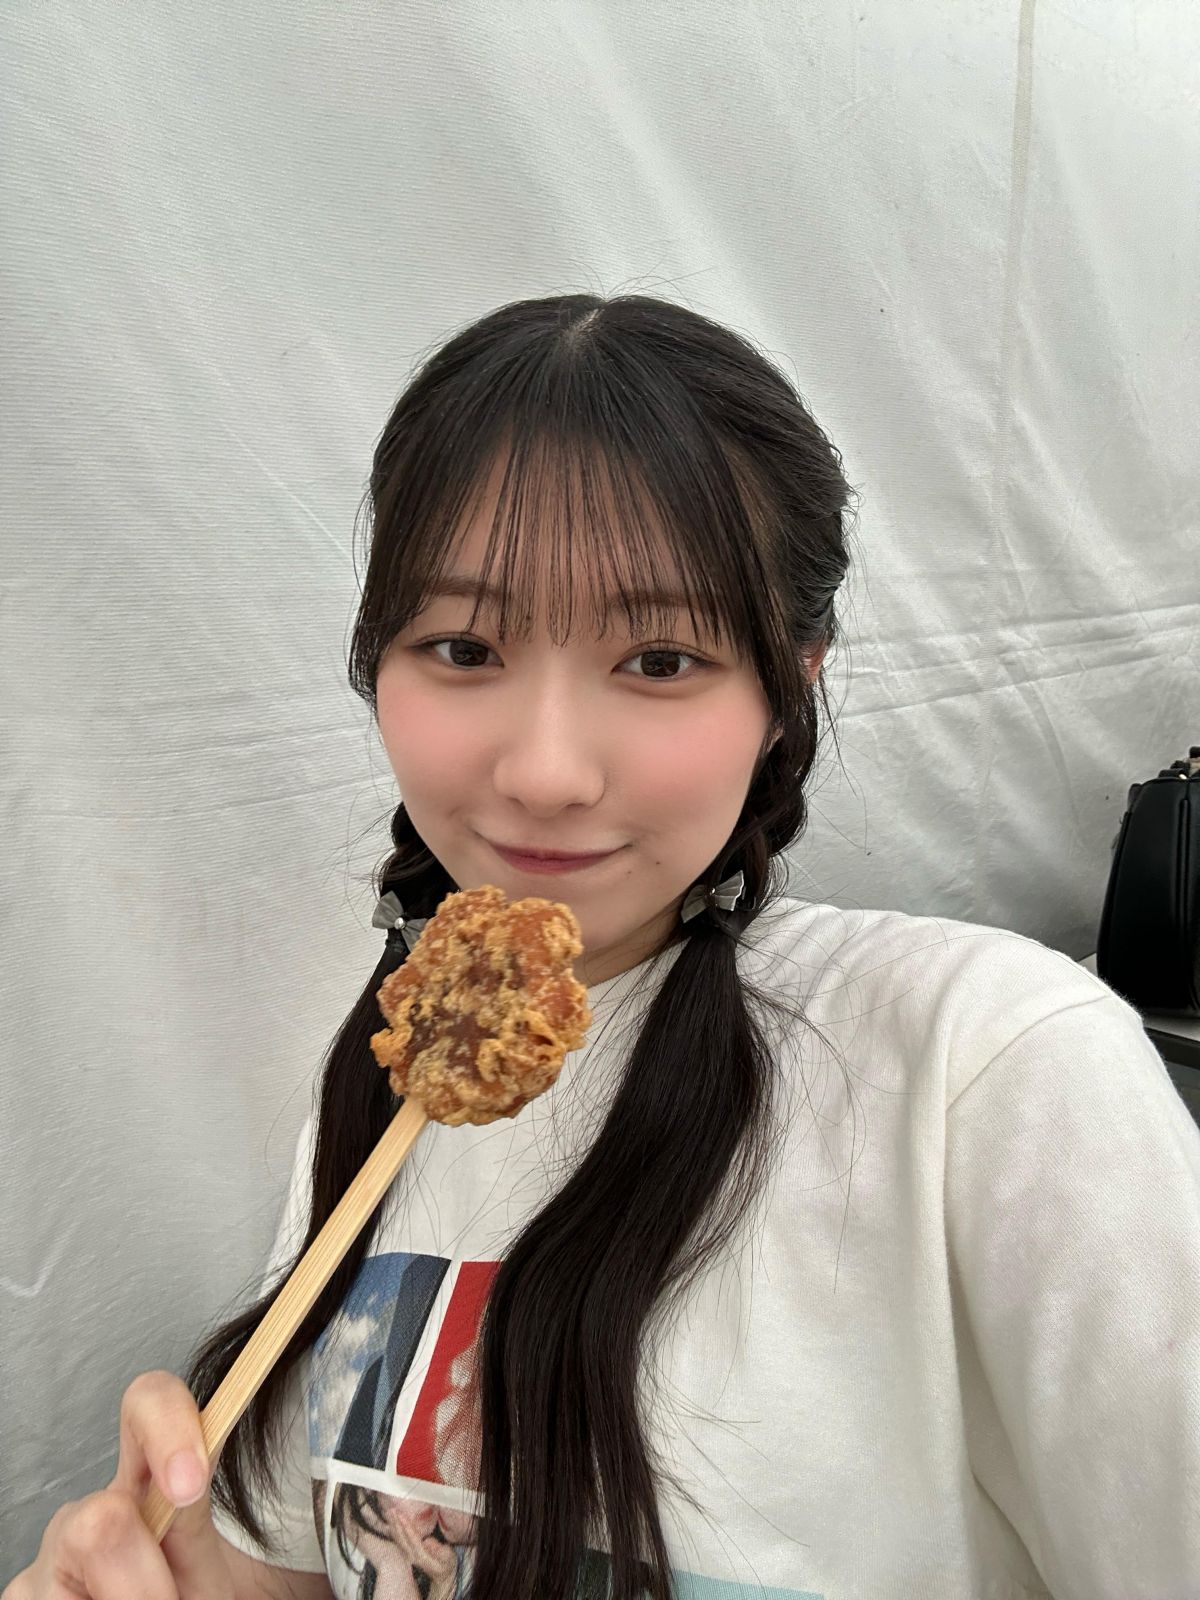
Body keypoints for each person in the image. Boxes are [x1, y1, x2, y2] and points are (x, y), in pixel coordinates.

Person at [8, 292, 1199, 1600]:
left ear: (789, 686)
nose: (548, 771)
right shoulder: (388, 1088)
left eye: (661, 659)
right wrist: (187, 1575)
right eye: (464, 647)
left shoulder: (987, 1064)